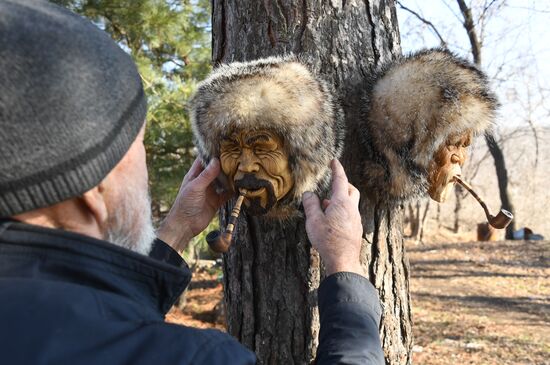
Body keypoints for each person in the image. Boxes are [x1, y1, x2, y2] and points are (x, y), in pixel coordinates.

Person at [0, 0, 383, 364]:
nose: (245, 166)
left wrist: (176, 231)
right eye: (137, 146)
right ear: (92, 191)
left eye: (262, 147)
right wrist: (344, 266)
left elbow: (107, 319)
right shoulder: (195, 357)